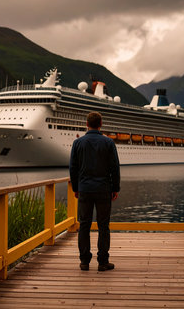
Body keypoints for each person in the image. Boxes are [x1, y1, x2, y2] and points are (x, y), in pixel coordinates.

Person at [69, 111, 120, 271]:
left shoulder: (78, 143)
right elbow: (114, 168)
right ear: (101, 124)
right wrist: (115, 188)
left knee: (84, 224)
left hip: (84, 189)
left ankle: (84, 262)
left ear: (86, 124)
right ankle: (103, 262)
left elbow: (73, 168)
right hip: (103, 189)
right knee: (103, 225)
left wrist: (76, 188)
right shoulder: (108, 143)